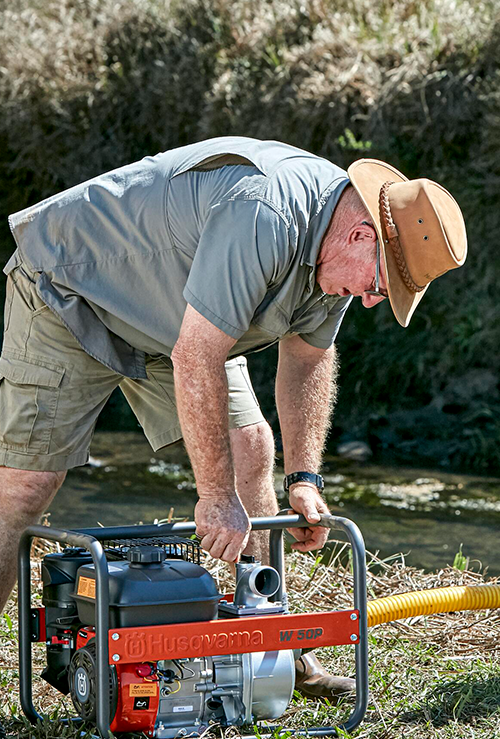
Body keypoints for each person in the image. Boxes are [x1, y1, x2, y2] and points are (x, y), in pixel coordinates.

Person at [0, 137, 467, 698]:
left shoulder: (340, 250)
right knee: (27, 487)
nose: (370, 300)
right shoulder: (265, 216)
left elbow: (309, 357)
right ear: (362, 236)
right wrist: (215, 496)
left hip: (173, 319)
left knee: (252, 447)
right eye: (377, 286)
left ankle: (281, 655)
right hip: (68, 288)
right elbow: (197, 356)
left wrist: (304, 479)